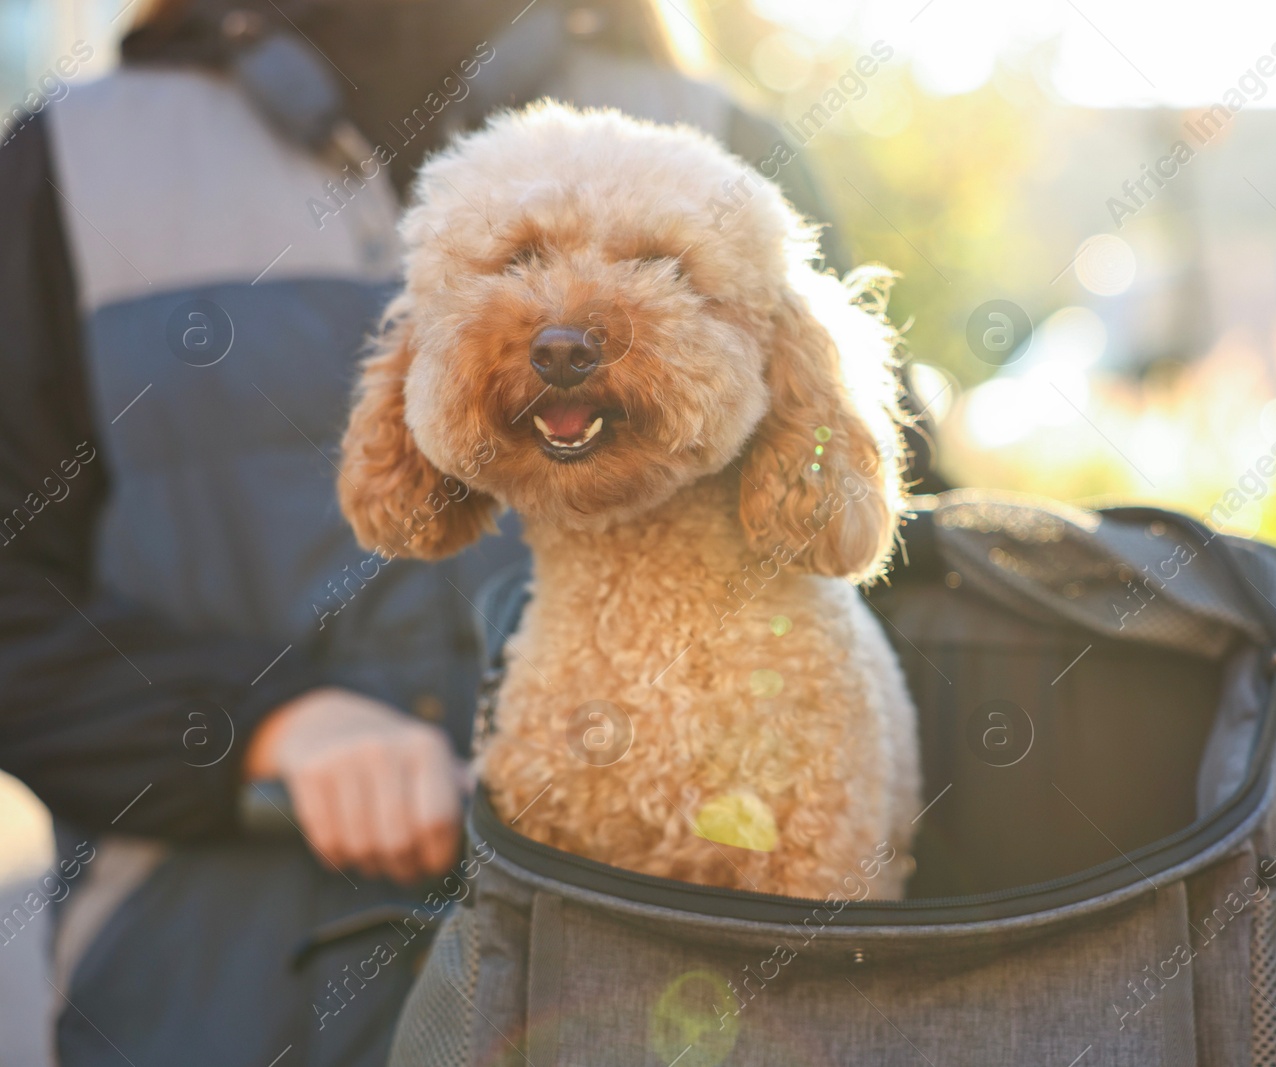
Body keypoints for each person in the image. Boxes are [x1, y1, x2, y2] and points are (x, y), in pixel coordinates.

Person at [0, 0, 844, 1064]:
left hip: (651, 995)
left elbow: (854, 530)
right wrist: (259, 724)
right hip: (204, 992)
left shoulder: (719, 141)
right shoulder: (75, 160)